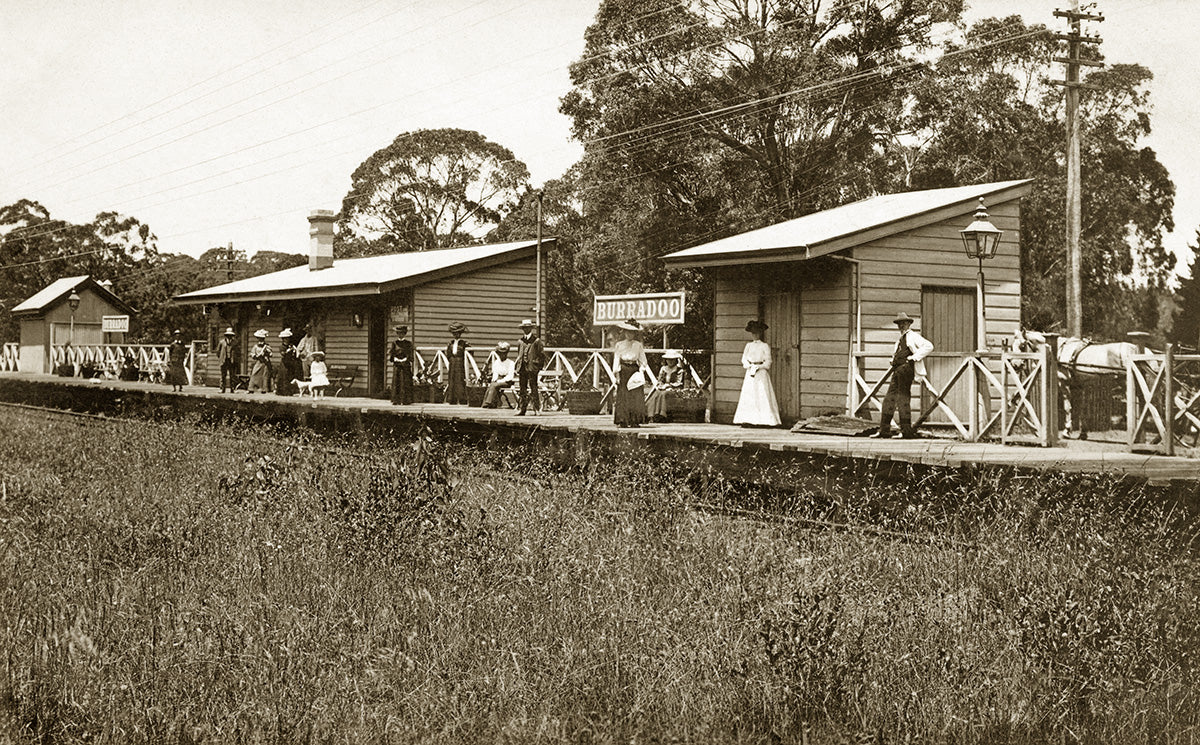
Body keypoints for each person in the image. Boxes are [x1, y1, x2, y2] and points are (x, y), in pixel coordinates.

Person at [871, 311, 934, 439]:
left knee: (902, 399)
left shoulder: (913, 336)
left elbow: (929, 346)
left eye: (904, 323)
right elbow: (898, 353)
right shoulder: (900, 340)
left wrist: (914, 357)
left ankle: (906, 431)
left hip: (906, 370)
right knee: (889, 399)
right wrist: (893, 360)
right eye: (899, 324)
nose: (901, 326)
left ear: (908, 324)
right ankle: (884, 430)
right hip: (897, 370)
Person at [733, 320, 781, 427]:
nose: (755, 335)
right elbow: (744, 359)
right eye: (753, 333)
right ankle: (748, 420)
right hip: (751, 372)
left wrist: (759, 367)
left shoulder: (764, 346)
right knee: (750, 395)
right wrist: (749, 366)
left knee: (762, 394)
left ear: (760, 333)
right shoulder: (748, 346)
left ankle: (764, 420)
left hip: (761, 373)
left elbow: (768, 362)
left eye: (757, 333)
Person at [612, 318, 650, 428]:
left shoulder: (638, 345)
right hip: (624, 370)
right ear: (624, 332)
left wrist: (641, 372)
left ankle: (635, 420)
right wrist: (617, 374)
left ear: (635, 333)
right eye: (628, 332)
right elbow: (616, 359)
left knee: (635, 395)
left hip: (634, 370)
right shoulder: (619, 345)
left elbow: (643, 361)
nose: (630, 334)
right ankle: (623, 420)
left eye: (632, 332)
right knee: (623, 395)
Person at [514, 319, 545, 416]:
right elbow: (519, 354)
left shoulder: (536, 341)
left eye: (527, 327)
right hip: (522, 367)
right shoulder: (520, 341)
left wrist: (538, 366)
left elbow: (542, 355)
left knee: (533, 387)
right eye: (524, 328)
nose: (526, 329)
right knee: (522, 388)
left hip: (532, 368)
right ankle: (522, 409)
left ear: (531, 328)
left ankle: (536, 408)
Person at [646, 350, 686, 422]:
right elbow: (660, 380)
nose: (670, 361)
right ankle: (652, 415)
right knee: (656, 393)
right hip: (664, 388)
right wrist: (662, 386)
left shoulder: (679, 370)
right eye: (668, 359)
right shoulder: (663, 369)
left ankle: (662, 414)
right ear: (666, 360)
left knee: (663, 394)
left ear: (675, 360)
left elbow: (679, 383)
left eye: (672, 360)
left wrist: (669, 386)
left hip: (674, 389)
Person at [482, 342, 516, 408]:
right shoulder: (496, 362)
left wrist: (500, 381)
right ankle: (493, 403)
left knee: (494, 385)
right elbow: (495, 372)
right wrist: (495, 379)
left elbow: (510, 376)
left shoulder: (511, 363)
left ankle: (488, 402)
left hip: (507, 381)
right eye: (500, 353)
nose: (502, 355)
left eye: (504, 353)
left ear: (506, 354)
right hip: (498, 380)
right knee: (492, 385)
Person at [444, 321, 469, 405]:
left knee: (460, 380)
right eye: (454, 334)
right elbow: (448, 353)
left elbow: (469, 353)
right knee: (451, 379)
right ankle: (452, 399)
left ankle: (462, 399)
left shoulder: (463, 343)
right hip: (452, 361)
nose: (456, 335)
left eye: (458, 333)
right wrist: (451, 359)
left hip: (460, 361)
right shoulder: (451, 343)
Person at [388, 325, 414, 405]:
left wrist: (405, 359)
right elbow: (392, 355)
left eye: (402, 333)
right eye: (399, 333)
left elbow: (410, 355)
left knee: (405, 382)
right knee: (397, 382)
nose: (400, 335)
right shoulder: (394, 343)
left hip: (405, 366)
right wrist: (396, 359)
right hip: (397, 366)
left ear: (405, 334)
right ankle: (396, 400)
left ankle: (405, 400)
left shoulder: (408, 343)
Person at [276, 328, 301, 396]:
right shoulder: (282, 346)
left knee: (290, 376)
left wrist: (294, 351)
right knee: (284, 376)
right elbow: (283, 354)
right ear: (283, 339)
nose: (287, 340)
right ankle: (282, 392)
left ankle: (289, 391)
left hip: (290, 362)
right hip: (284, 363)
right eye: (285, 338)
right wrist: (289, 350)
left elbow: (296, 353)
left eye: (288, 338)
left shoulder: (291, 345)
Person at [248, 329, 272, 393]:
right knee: (254, 374)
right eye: (259, 339)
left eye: (262, 339)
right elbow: (252, 353)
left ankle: (264, 389)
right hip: (258, 362)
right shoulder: (256, 346)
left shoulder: (267, 346)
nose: (261, 340)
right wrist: (255, 356)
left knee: (265, 375)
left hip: (265, 363)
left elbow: (271, 354)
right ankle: (251, 388)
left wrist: (267, 353)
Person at [216, 327, 239, 393]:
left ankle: (233, 389)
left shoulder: (235, 342)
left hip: (231, 360)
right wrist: (221, 358)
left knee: (232, 375)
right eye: (228, 335)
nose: (229, 337)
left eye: (230, 335)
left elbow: (237, 352)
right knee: (223, 375)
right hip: (224, 360)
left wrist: (235, 358)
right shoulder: (222, 342)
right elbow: (218, 351)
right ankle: (222, 388)